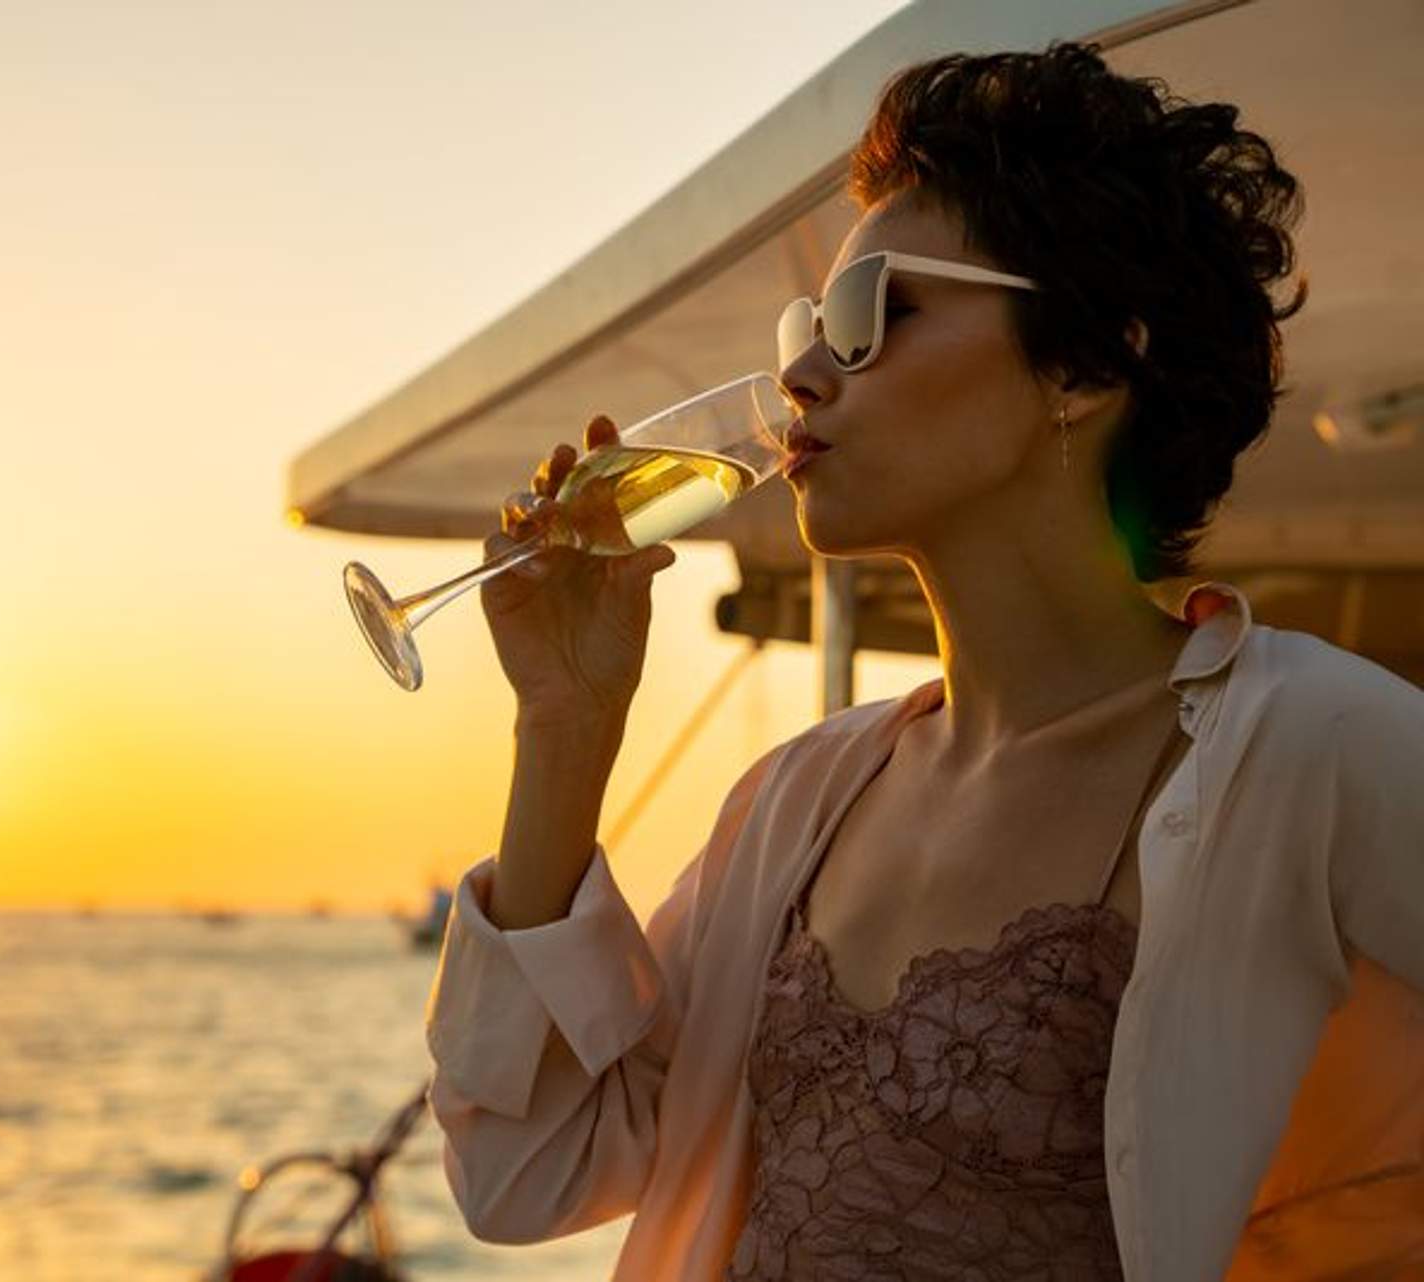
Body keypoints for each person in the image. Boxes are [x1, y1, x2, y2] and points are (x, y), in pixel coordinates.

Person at [421, 42, 1424, 1282]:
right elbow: (528, 1169)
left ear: (1086, 365)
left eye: (865, 316)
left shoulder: (1318, 744)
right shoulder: (796, 801)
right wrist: (566, 726)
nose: (796, 374)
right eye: (806, 326)